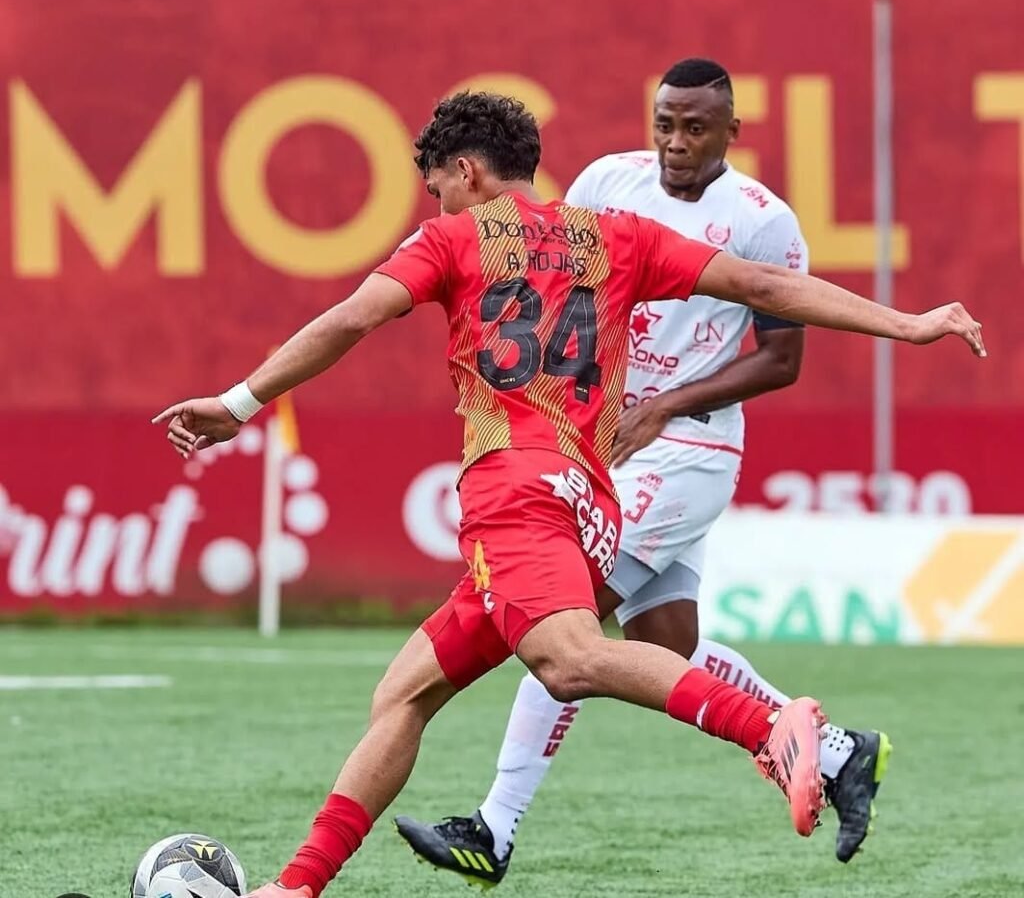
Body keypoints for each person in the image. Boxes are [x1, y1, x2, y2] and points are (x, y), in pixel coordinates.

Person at [153, 91, 984, 898]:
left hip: (514, 492)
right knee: (402, 695)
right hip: (587, 497)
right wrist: (906, 325)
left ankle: (776, 730)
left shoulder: (452, 239)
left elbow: (349, 319)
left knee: (568, 661)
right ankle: (297, 884)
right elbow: (765, 289)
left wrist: (237, 404)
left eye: (438, 182)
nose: (435, 200)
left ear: (470, 171)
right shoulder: (616, 235)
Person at [394, 58, 889, 883]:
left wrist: (665, 405)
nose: (675, 142)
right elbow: (557, 286)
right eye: (665, 122)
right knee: (665, 646)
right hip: (603, 445)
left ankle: (495, 826)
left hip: (688, 449)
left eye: (696, 128)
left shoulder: (763, 220)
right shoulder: (605, 182)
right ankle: (839, 752)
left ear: (732, 132)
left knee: (568, 630)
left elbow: (782, 359)